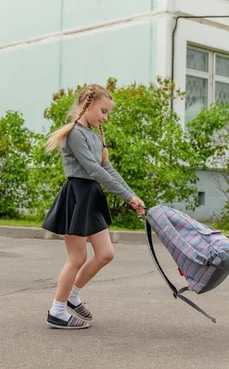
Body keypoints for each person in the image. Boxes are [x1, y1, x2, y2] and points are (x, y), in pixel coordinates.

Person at [42, 84, 145, 329]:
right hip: (77, 196)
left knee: (105, 254)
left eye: (108, 113)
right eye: (103, 110)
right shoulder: (76, 134)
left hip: (91, 197)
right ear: (87, 105)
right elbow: (94, 170)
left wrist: (132, 196)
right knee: (77, 257)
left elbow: (107, 168)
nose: (105, 117)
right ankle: (57, 311)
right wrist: (127, 198)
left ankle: (73, 297)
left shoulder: (94, 135)